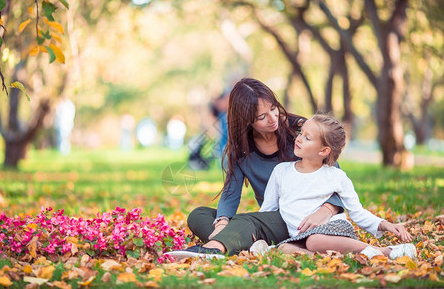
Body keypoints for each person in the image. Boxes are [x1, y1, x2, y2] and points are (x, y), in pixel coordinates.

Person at [165, 78, 344, 259]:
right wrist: (221, 222)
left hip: (304, 217)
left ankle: (214, 249)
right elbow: (231, 192)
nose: (273, 118)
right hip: (268, 218)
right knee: (199, 215)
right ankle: (254, 245)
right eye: (261, 117)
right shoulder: (241, 147)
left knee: (247, 221)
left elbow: (336, 178)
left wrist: (326, 210)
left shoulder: (301, 130)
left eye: (273, 108)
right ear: (246, 120)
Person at [250, 114, 416, 259]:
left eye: (307, 138)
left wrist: (385, 224)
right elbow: (267, 210)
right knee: (285, 248)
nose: (299, 138)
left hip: (333, 230)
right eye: (301, 133)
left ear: (323, 151)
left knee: (314, 241)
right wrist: (257, 234)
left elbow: (357, 212)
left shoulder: (335, 176)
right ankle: (334, 257)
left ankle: (383, 252)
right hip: (300, 237)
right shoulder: (281, 171)